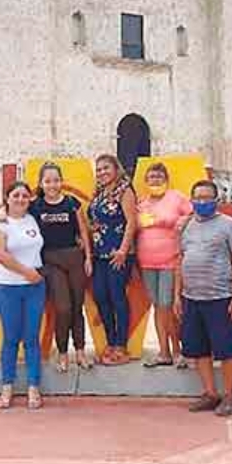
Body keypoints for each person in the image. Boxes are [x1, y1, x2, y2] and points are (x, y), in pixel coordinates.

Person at [174, 179, 232, 417]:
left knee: (226, 349)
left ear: (216, 200)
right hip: (191, 298)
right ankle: (210, 393)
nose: (202, 202)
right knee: (198, 349)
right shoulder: (186, 226)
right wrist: (177, 296)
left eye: (207, 197)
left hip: (220, 297)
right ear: (191, 199)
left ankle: (228, 397)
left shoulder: (229, 225)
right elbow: (180, 260)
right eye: (198, 197)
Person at [0, 181, 46, 409]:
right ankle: (7, 387)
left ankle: (33, 387)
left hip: (34, 288)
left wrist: (33, 276)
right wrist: (26, 272)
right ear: (7, 197)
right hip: (9, 287)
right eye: (15, 195)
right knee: (11, 339)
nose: (20, 199)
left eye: (24, 195)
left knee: (32, 338)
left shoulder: (32, 218)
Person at [30, 162, 93, 372]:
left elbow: (83, 231)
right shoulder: (35, 205)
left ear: (61, 181)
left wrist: (88, 258)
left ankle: (81, 352)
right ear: (41, 183)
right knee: (63, 308)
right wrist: (2, 214)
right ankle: (63, 352)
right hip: (51, 261)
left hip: (74, 257)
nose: (52, 185)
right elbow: (13, 211)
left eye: (56, 180)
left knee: (77, 307)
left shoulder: (71, 203)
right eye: (47, 181)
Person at [136, 162, 193, 368]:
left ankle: (178, 351)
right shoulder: (141, 203)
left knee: (167, 305)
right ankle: (164, 352)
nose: (155, 180)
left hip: (171, 260)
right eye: (151, 177)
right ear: (146, 181)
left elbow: (193, 213)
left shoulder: (176, 197)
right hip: (146, 262)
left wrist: (183, 221)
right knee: (158, 307)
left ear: (166, 179)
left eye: (159, 176)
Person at [88, 154, 138, 365]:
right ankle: (110, 341)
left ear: (116, 169)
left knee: (117, 297)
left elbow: (131, 223)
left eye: (106, 168)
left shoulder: (124, 191)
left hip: (119, 254)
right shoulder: (99, 193)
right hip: (100, 254)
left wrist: (123, 250)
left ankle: (121, 346)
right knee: (100, 295)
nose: (102, 172)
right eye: (98, 169)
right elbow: (95, 219)